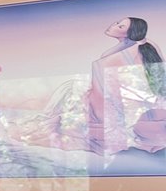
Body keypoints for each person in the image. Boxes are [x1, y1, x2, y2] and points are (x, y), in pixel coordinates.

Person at [29, 15, 166, 157]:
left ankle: (46, 122)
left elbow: (105, 90)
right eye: (118, 22)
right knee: (70, 89)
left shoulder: (120, 56)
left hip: (118, 107)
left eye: (120, 26)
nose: (114, 24)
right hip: (134, 104)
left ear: (130, 34)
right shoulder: (142, 47)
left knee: (69, 89)